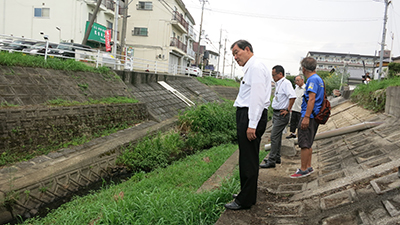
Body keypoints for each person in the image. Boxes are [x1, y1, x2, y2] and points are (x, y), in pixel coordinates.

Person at [224, 40, 271, 210]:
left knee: (249, 159)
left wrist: (252, 124)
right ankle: (247, 194)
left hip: (251, 115)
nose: (235, 57)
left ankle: (245, 200)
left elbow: (257, 98)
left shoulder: (256, 67)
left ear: (247, 49)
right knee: (246, 157)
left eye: (237, 53)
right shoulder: (252, 68)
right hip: (248, 114)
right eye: (234, 55)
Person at [290, 57, 324, 178]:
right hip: (314, 115)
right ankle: (308, 167)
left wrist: (306, 117)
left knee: (304, 143)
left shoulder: (312, 80)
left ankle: (303, 169)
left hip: (309, 115)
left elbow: (311, 99)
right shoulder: (319, 79)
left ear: (303, 69)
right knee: (308, 142)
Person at [259, 65, 296, 169]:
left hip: (281, 114)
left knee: (274, 136)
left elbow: (292, 96)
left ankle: (271, 160)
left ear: (280, 74)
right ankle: (277, 157)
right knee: (277, 136)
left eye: (274, 75)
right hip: (276, 113)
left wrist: (288, 109)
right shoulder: (278, 83)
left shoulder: (286, 83)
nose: (273, 77)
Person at [286, 75, 306, 139]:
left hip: (300, 109)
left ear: (302, 80)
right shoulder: (296, 88)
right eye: (296, 81)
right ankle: (293, 133)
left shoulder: (305, 88)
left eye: (298, 80)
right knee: (293, 122)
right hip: (294, 108)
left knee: (299, 123)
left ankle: (299, 135)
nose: (296, 82)